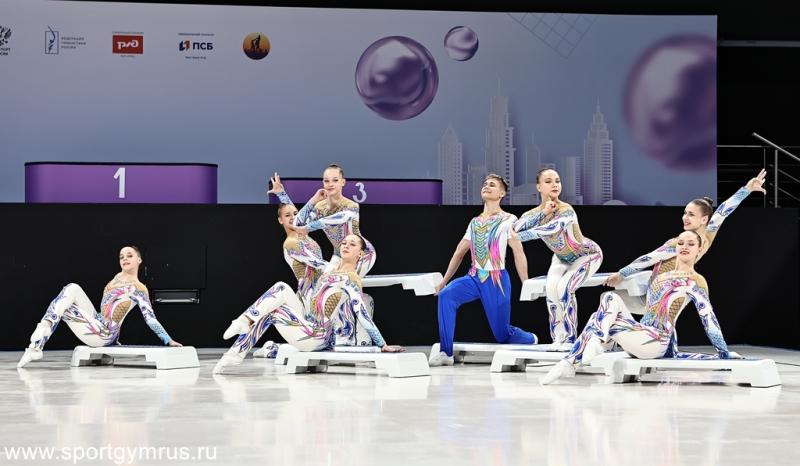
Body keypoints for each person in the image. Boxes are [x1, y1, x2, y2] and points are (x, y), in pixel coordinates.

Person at [600, 168, 767, 356]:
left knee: (608, 301)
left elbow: (648, 258)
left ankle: (605, 345)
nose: (684, 217)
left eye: (690, 214)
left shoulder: (679, 243)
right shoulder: (705, 238)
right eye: (685, 213)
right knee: (612, 302)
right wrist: (746, 190)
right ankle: (613, 344)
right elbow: (721, 212)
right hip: (658, 293)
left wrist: (621, 273)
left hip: (657, 298)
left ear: (704, 219)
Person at [541, 230, 741, 385]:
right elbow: (646, 259)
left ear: (699, 248)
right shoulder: (661, 276)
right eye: (680, 243)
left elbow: (708, 318)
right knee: (609, 298)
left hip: (656, 341)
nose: (684, 247)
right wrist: (622, 273)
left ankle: (575, 357)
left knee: (598, 318)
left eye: (690, 244)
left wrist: (723, 352)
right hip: (641, 333)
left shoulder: (695, 280)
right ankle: (592, 344)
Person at [214, 234, 403, 374]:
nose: (346, 245)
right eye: (344, 243)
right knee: (281, 287)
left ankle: (235, 352)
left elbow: (362, 313)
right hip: (308, 322)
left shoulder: (351, 278)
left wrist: (382, 344)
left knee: (274, 312)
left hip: (318, 335)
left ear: (360, 254)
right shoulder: (329, 270)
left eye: (352, 244)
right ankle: (244, 321)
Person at [429, 174, 537, 366]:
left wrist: (526, 283)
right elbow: (459, 252)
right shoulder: (474, 222)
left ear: (501, 193)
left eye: (492, 185)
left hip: (497, 281)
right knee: (446, 296)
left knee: (502, 335)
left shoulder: (509, 220)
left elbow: (518, 252)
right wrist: (444, 281)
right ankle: (446, 352)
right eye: (485, 184)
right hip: (473, 277)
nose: (487, 186)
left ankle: (530, 338)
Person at [18, 246, 182, 368]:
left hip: (105, 333)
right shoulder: (117, 277)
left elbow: (150, 319)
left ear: (139, 260)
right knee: (72, 288)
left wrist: (168, 340)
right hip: (98, 320)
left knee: (65, 307)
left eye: (129, 255)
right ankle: (38, 342)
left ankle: (36, 345)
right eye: (121, 256)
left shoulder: (139, 288)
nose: (124, 259)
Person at [514, 168, 603, 349]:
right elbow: (516, 227)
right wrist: (543, 212)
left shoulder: (566, 210)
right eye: (548, 181)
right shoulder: (533, 213)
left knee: (564, 288)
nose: (554, 184)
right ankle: (558, 338)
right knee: (551, 290)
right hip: (561, 257)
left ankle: (570, 339)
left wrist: (518, 237)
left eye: (557, 181)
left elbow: (552, 228)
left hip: (587, 255)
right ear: (539, 187)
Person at [284, 164, 375, 277]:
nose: (330, 184)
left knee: (343, 280)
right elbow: (296, 224)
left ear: (343, 182)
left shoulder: (352, 206)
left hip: (362, 253)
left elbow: (335, 219)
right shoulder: (319, 207)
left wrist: (308, 228)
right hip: (339, 254)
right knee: (324, 281)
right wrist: (313, 200)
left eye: (335, 180)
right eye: (326, 181)